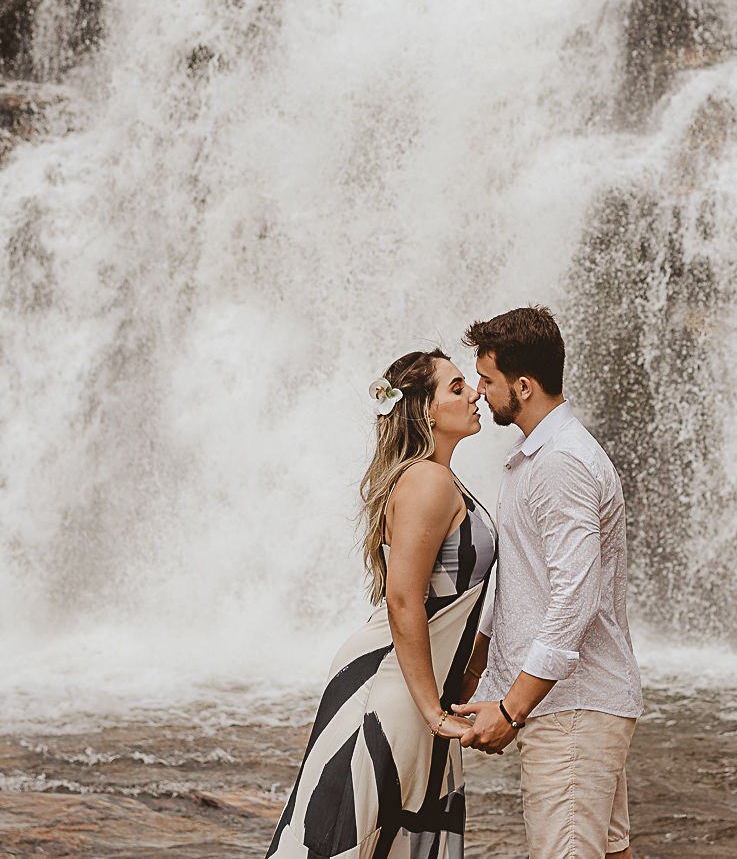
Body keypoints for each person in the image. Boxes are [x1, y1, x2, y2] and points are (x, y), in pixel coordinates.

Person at [266, 348, 496, 859]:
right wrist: (433, 713)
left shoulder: (438, 478)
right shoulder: (427, 481)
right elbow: (401, 598)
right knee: (357, 839)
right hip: (392, 689)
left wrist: (470, 667)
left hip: (417, 690)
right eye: (457, 387)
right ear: (426, 410)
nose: (476, 392)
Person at [451, 306, 643, 859]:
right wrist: (474, 671)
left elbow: (573, 601)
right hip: (575, 707)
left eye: (487, 381)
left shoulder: (561, 462)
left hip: (574, 712)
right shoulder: (534, 458)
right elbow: (520, 579)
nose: (481, 394)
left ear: (524, 385)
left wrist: (511, 710)